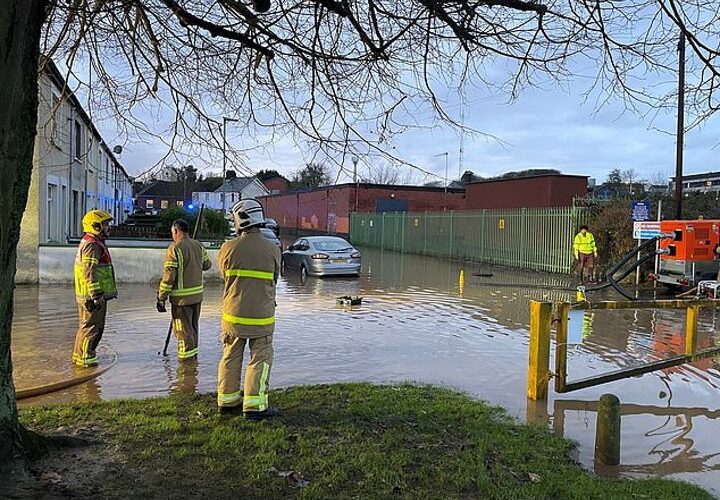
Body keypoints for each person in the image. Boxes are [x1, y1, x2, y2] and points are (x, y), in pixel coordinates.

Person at [216, 199, 281, 419]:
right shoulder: (273, 249)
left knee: (230, 357)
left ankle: (227, 401)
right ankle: (254, 407)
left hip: (232, 315)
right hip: (261, 317)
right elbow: (274, 278)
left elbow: (225, 277)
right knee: (259, 359)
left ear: (240, 221)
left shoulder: (227, 248)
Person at [157, 219, 212, 360]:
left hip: (181, 301)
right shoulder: (198, 245)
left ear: (176, 231)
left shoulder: (174, 248)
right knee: (193, 329)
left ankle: (185, 368)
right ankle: (194, 361)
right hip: (197, 297)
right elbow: (207, 265)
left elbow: (169, 276)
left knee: (183, 332)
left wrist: (161, 298)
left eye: (172, 233)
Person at [72, 209, 117, 367]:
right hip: (92, 296)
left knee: (88, 326)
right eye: (105, 224)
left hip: (91, 294)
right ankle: (86, 360)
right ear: (95, 226)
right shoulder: (92, 245)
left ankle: (81, 355)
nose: (108, 228)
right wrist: (96, 294)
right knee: (92, 327)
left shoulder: (92, 242)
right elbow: (89, 271)